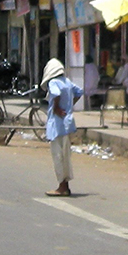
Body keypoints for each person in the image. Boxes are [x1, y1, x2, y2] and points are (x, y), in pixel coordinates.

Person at [42, 57, 83, 197]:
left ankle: (62, 187)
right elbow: (79, 92)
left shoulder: (54, 82)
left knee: (58, 156)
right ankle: (65, 185)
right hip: (67, 123)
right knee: (66, 156)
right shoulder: (67, 82)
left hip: (57, 125)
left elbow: (55, 93)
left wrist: (57, 107)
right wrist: (68, 105)